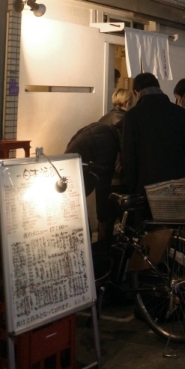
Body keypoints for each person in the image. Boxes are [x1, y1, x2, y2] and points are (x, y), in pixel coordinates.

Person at [64, 88, 133, 261]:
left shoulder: (104, 121)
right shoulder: (122, 127)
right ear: (127, 103)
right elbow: (105, 178)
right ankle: (106, 258)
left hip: (82, 172)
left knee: (100, 220)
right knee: (115, 219)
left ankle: (100, 252)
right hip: (114, 178)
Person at [121, 73, 185, 209]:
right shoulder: (181, 114)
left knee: (151, 229)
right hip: (179, 184)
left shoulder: (133, 116)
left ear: (136, 92)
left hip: (148, 188)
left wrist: (133, 189)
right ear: (158, 87)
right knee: (177, 228)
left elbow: (129, 157)